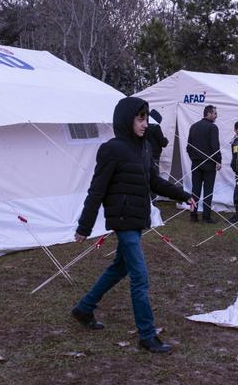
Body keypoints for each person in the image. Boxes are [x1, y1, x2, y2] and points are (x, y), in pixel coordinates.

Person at [70, 97, 195, 354]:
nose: (145, 123)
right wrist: (85, 226)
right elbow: (97, 190)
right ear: (126, 119)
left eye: (146, 118)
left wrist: (183, 194)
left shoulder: (145, 148)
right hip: (122, 221)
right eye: (140, 118)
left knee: (119, 268)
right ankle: (147, 335)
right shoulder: (112, 149)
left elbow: (154, 181)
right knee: (140, 276)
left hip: (138, 219)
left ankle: (84, 308)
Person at [186, 104, 221, 224]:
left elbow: (188, 147)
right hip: (209, 164)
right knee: (208, 191)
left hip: (196, 164)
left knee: (194, 191)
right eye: (215, 113)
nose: (216, 116)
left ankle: (192, 215)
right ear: (209, 114)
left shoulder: (193, 127)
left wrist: (193, 158)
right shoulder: (212, 127)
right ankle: (206, 217)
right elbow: (215, 146)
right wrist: (218, 161)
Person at [145, 109, 170, 202]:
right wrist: (166, 140)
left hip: (144, 155)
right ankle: (153, 201)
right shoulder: (156, 127)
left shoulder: (144, 126)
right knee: (153, 179)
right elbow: (162, 142)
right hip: (154, 156)